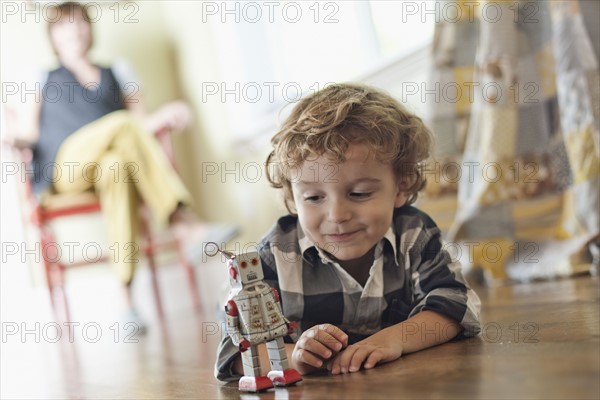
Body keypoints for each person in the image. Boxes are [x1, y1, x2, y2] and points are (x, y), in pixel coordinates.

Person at [215, 83, 481, 380]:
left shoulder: (413, 234)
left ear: (401, 185)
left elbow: (456, 305)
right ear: (292, 196)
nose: (338, 215)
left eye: (360, 193)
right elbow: (234, 352)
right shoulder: (273, 256)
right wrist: (295, 357)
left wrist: (395, 339)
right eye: (314, 198)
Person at [4, 2, 211, 328]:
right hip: (65, 169)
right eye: (64, 26)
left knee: (116, 166)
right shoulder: (40, 77)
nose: (73, 31)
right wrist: (12, 138)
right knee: (122, 123)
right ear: (53, 36)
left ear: (90, 28)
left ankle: (126, 304)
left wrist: (167, 112)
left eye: (80, 23)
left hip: (108, 168)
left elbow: (143, 122)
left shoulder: (119, 72)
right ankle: (179, 219)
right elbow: (29, 133)